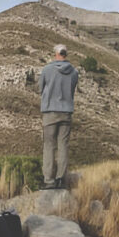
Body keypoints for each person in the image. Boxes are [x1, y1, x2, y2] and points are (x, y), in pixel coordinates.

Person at [36, 44, 78, 189]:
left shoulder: (47, 69)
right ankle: (61, 179)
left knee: (49, 146)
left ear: (55, 54)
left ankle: (48, 180)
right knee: (63, 146)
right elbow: (72, 90)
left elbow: (40, 88)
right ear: (66, 54)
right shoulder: (74, 72)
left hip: (50, 111)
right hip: (66, 112)